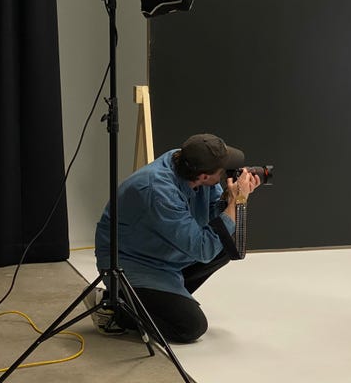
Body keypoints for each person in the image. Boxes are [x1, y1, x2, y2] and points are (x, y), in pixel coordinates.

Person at [85, 133, 262, 343]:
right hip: (131, 263)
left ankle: (160, 301)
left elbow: (216, 219)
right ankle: (113, 306)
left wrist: (229, 197)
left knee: (225, 245)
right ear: (204, 176)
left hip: (161, 251)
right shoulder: (158, 190)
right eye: (221, 171)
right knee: (189, 327)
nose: (226, 173)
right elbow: (202, 249)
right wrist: (237, 200)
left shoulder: (187, 163)